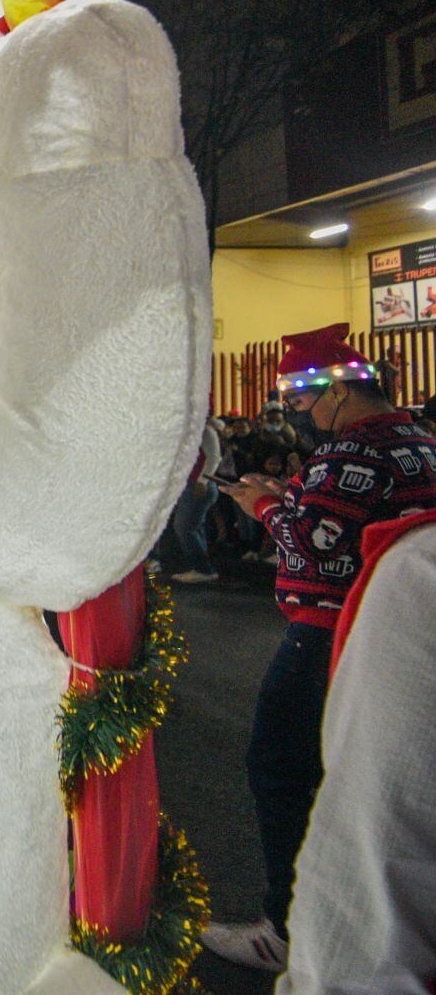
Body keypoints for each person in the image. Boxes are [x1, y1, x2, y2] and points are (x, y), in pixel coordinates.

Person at [204, 324, 436, 973]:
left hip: (326, 634)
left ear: (335, 390)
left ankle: (290, 923)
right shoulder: (418, 437)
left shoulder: (349, 454)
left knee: (283, 766)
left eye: (302, 403)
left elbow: (316, 542)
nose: (297, 417)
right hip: (397, 629)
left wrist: (264, 506)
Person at [277, 509, 436, 992]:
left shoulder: (422, 569)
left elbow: (363, 919)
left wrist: (267, 509)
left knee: (278, 770)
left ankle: (271, 915)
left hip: (316, 625)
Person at [170, 416, 226, 584]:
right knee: (194, 526)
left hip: (198, 485)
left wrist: (202, 481)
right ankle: (202, 566)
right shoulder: (193, 431)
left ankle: (202, 568)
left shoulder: (205, 430)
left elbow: (214, 457)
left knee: (184, 527)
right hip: (194, 483)